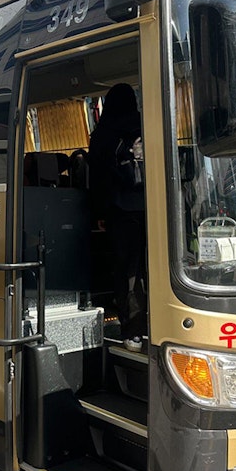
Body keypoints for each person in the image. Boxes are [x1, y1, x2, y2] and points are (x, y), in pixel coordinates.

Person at [89, 82, 147, 351]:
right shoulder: (146, 123)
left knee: (126, 271)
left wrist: (99, 213)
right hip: (153, 206)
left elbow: (97, 177)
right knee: (151, 269)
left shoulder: (103, 132)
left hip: (119, 209)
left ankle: (132, 331)